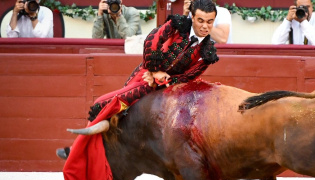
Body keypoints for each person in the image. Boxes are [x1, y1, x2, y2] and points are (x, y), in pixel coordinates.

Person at [57, 0, 219, 159]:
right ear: (192, 17)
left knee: (109, 105)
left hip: (167, 90)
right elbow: (152, 40)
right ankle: (79, 149)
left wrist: (163, 80)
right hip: (145, 76)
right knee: (108, 106)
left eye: (210, 22)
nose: (205, 26)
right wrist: (153, 70)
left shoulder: (207, 51)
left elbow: (189, 76)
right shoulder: (179, 24)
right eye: (200, 21)